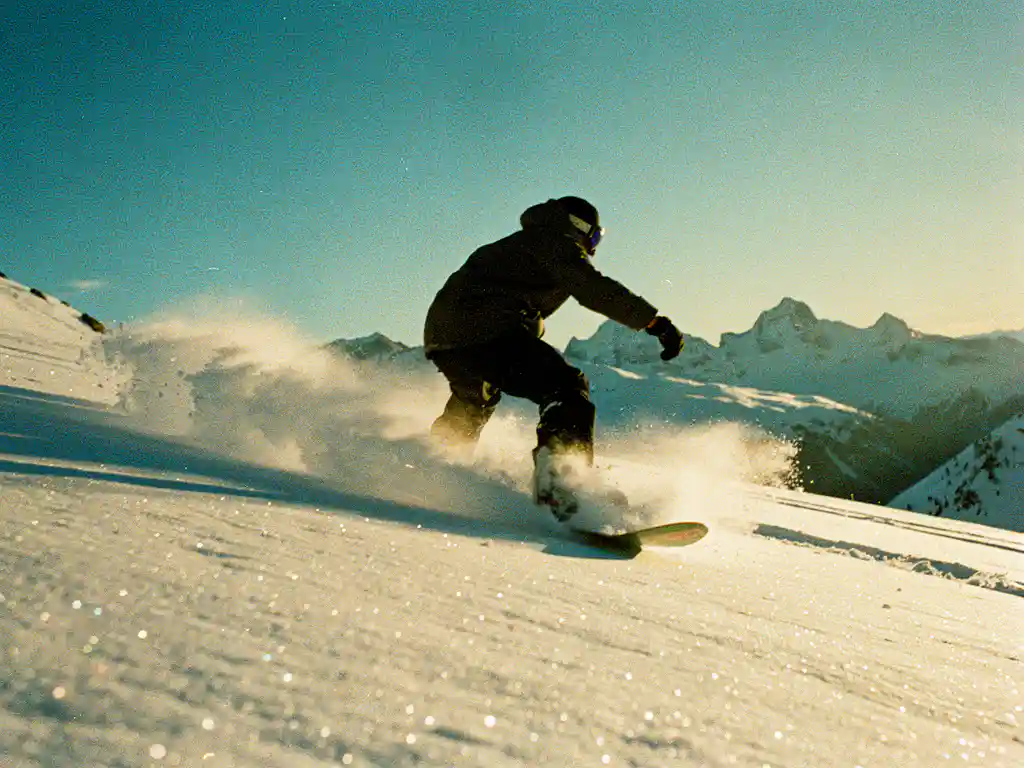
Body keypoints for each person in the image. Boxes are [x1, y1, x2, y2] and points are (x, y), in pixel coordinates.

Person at [424, 196, 684, 520]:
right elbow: (590, 286)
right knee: (566, 386)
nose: (593, 247)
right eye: (595, 237)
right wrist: (652, 321)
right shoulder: (555, 240)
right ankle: (562, 488)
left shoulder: (524, 244)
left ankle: (435, 467)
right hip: (484, 330)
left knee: (477, 396)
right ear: (581, 228)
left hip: (447, 339)